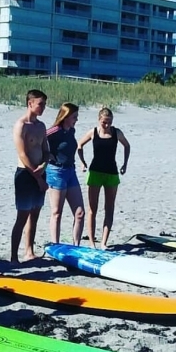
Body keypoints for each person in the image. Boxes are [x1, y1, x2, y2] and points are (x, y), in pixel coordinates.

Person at [77, 107, 131, 249]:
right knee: (92, 209)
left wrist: (125, 163)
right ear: (99, 120)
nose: (106, 125)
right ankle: (91, 242)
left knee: (109, 208)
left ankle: (104, 242)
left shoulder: (116, 132)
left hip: (112, 173)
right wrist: (83, 163)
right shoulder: (93, 132)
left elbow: (127, 145)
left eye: (109, 122)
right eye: (104, 122)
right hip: (95, 172)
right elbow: (79, 145)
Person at [10, 89, 50, 263]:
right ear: (30, 103)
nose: (43, 107)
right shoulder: (21, 125)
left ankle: (29, 251)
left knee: (35, 214)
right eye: (40, 104)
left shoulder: (41, 126)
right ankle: (13, 256)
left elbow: (46, 150)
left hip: (40, 172)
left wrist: (44, 165)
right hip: (26, 175)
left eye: (44, 104)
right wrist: (38, 177)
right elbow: (23, 154)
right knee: (22, 216)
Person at [46, 103, 85, 245]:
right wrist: (47, 156)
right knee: (57, 212)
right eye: (74, 116)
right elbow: (37, 140)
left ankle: (76, 246)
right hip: (56, 171)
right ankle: (55, 245)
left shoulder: (71, 131)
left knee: (79, 213)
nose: (76, 119)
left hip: (71, 171)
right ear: (66, 116)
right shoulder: (54, 131)